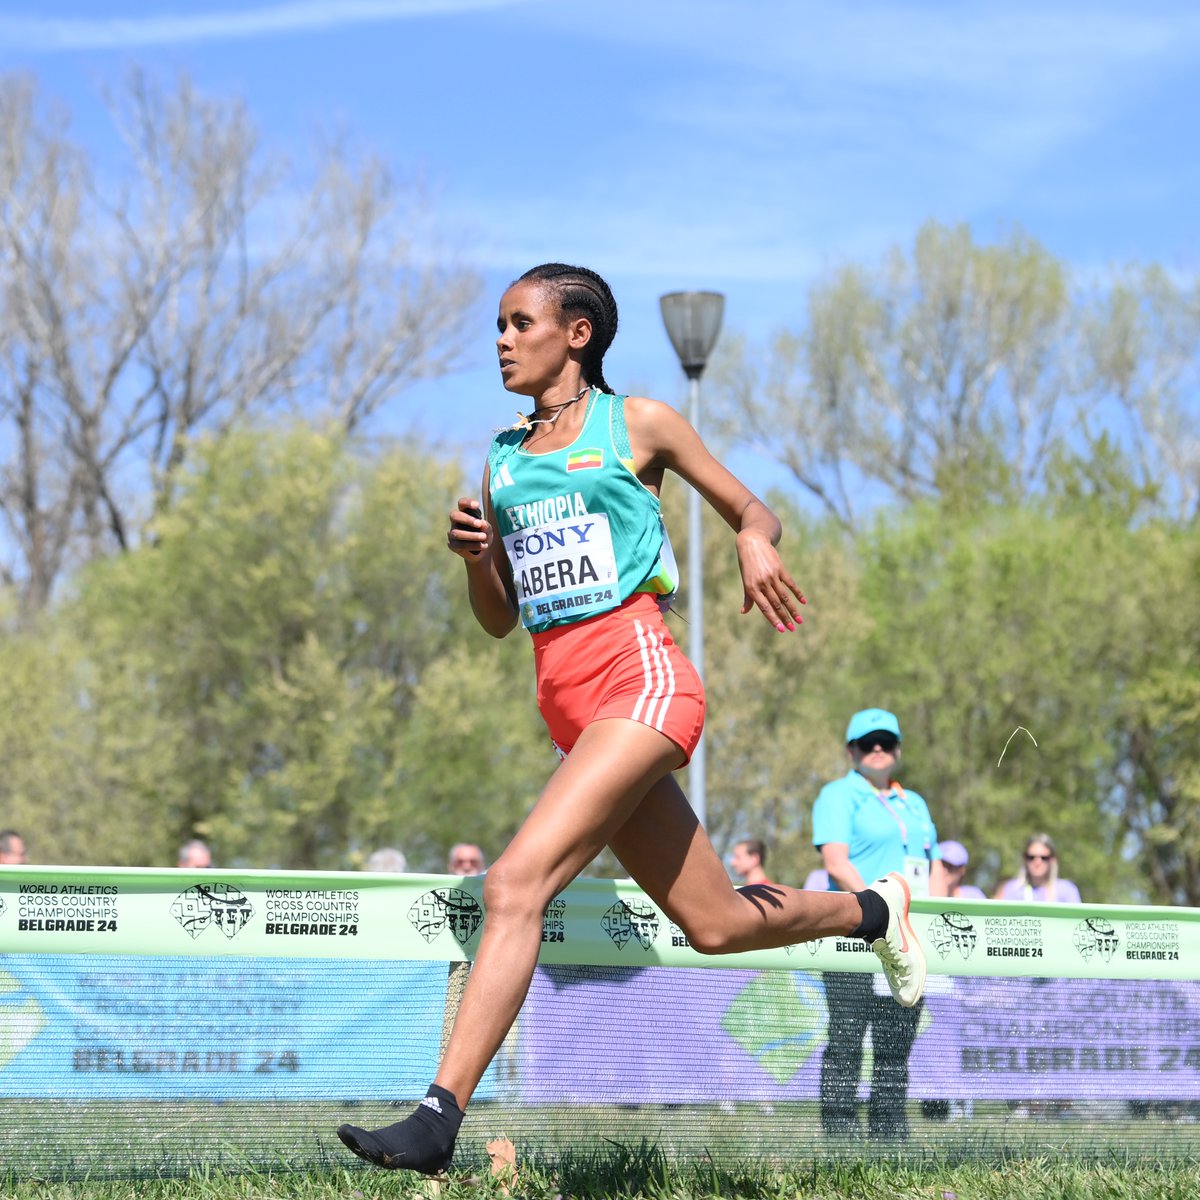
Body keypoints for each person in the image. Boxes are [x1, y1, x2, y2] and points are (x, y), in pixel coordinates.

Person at [336, 263, 927, 1175]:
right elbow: (500, 620)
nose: (499, 339)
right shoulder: (499, 461)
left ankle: (437, 1117)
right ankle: (872, 915)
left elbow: (749, 503)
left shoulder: (637, 422)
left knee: (514, 885)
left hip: (643, 683)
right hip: (572, 712)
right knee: (718, 925)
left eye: (518, 322)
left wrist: (754, 539)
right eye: (497, 324)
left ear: (576, 334)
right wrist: (475, 561)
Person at [812, 708, 946, 1141]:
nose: (877, 750)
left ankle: (890, 1134)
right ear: (852, 751)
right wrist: (880, 910)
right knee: (847, 1039)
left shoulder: (916, 803)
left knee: (895, 1045)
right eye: (867, 743)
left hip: (908, 938)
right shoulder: (837, 795)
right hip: (855, 934)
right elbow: (835, 861)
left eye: (885, 742)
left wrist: (934, 912)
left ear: (898, 750)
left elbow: (934, 864)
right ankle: (840, 1135)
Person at [994, 833, 1080, 903]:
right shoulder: (1013, 889)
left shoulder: (1067, 890)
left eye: (1044, 858)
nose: (1037, 862)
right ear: (1024, 859)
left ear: (1053, 860)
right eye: (1031, 857)